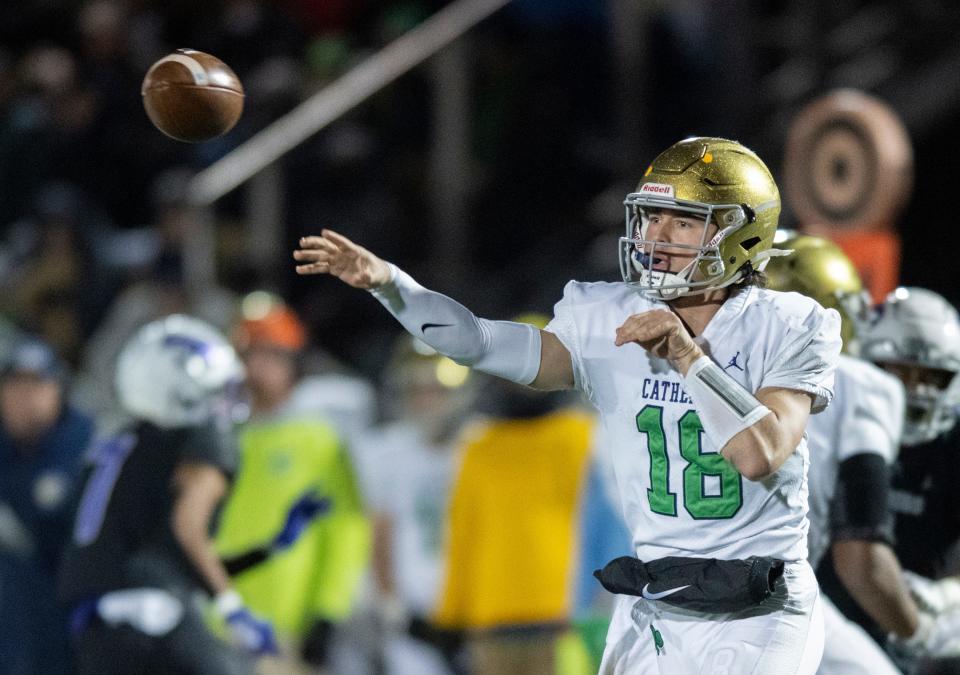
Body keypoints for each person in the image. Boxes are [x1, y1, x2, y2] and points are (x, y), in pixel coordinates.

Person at [294, 136, 843, 673]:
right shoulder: (608, 315)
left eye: (682, 221)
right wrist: (391, 286)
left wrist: (685, 354)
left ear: (738, 234)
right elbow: (482, 343)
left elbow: (759, 452)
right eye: (651, 216)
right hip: (657, 601)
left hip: (757, 606)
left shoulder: (791, 323)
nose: (656, 235)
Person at [765, 234, 949, 673]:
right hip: (767, 599)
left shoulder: (687, 364)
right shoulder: (857, 386)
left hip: (660, 591)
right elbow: (860, 560)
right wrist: (919, 631)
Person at [59, 315, 277, 675]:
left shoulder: (112, 444)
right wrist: (231, 607)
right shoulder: (199, 440)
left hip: (91, 622)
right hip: (155, 607)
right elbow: (187, 527)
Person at [429, 314, 595, 675]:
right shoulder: (478, 444)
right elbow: (463, 533)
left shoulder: (583, 437)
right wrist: (450, 614)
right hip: (492, 618)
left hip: (564, 617)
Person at [215, 295, 371, 673]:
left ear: (294, 364)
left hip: (286, 628)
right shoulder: (214, 436)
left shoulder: (318, 440)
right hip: (216, 626)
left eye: (271, 355)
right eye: (249, 355)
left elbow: (345, 530)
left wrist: (329, 611)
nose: (256, 368)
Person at [857, 288, 960, 670]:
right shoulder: (838, 426)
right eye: (901, 370)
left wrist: (949, 594)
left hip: (932, 614)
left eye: (932, 376)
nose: (915, 390)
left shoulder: (952, 445)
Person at [363, 335, 474, 675]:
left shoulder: (480, 445)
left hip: (474, 611)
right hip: (413, 616)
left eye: (435, 389)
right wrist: (393, 609)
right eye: (416, 390)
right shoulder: (385, 451)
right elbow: (379, 534)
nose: (426, 400)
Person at [0, 335, 95, 675]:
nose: (24, 398)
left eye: (36, 385)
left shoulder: (88, 446)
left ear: (59, 390)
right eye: (14, 386)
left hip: (74, 604)